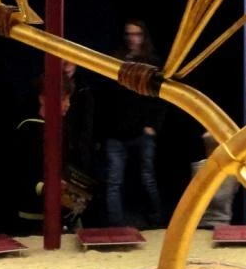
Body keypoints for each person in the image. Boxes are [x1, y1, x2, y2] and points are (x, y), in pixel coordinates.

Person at [97, 20, 166, 228]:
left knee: (147, 178)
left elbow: (161, 97)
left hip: (141, 130)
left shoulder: (151, 63)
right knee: (114, 181)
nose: (132, 39)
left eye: (136, 34)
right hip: (117, 131)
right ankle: (116, 226)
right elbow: (106, 98)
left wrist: (153, 125)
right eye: (129, 34)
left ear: (143, 37)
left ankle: (156, 221)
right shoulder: (115, 61)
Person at [13, 73, 93, 236]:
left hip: (62, 215)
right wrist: (47, 187)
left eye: (69, 99)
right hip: (35, 217)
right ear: (43, 99)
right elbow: (21, 174)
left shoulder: (62, 130)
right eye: (63, 99)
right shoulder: (29, 129)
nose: (68, 104)